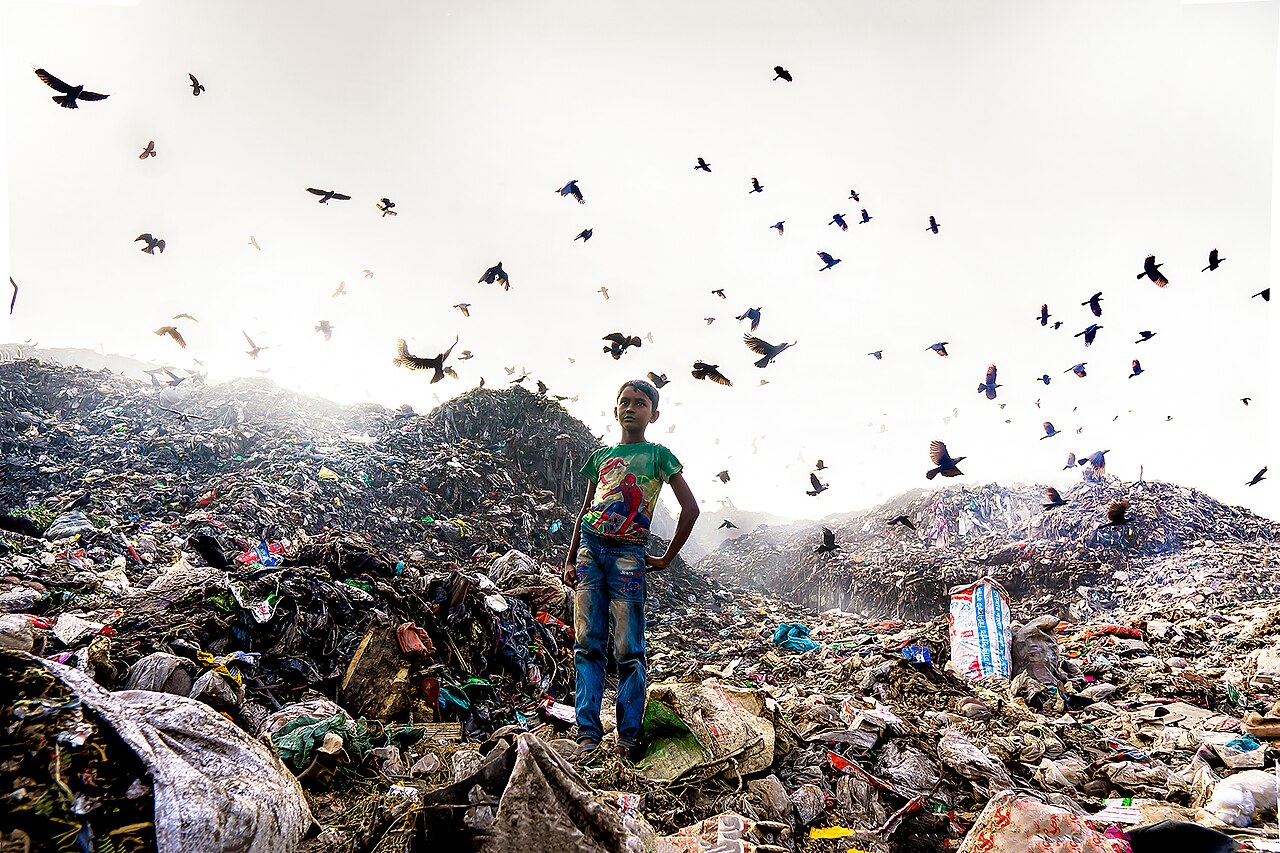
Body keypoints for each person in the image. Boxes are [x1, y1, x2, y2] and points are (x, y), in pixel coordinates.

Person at [562, 379, 699, 760]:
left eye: (640, 403)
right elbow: (584, 510)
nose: (631, 407)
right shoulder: (601, 457)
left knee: (629, 651)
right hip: (590, 550)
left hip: (629, 555)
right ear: (615, 409)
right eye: (624, 401)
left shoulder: (659, 455)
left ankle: (627, 738)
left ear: (653, 415)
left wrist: (667, 558)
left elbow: (691, 508)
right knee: (588, 645)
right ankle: (587, 735)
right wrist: (570, 559)